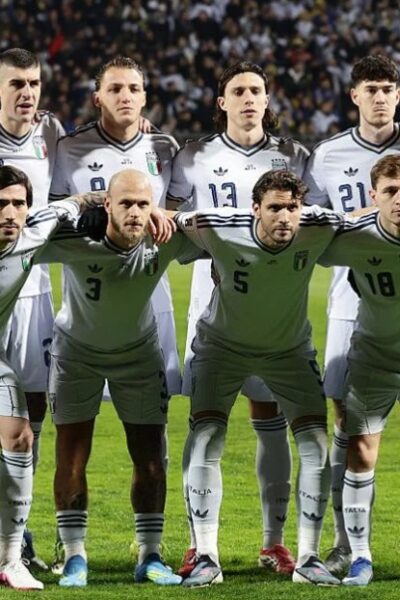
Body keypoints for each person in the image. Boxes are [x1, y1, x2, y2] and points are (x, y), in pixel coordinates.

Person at [172, 169, 352, 587]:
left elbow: (364, 220)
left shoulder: (319, 226)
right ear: (255, 208)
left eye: (292, 208)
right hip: (221, 348)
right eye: (274, 208)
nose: (285, 217)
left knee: (315, 443)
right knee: (206, 436)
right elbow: (168, 220)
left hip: (289, 352)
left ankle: (308, 558)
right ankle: (206, 557)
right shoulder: (217, 224)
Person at [167, 61, 309, 576]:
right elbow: (168, 218)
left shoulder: (294, 156)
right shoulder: (194, 156)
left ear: (267, 100)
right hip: (212, 304)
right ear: (221, 101)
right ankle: (198, 543)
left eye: (256, 91)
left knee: (271, 421)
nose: (248, 98)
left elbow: (311, 222)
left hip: (272, 308)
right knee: (207, 423)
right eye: (238, 91)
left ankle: (274, 543)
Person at [39, 169, 201, 588]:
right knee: (71, 456)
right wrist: (78, 203)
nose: (134, 212)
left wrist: (172, 217)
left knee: (150, 457)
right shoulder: (75, 238)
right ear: (107, 204)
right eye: (125, 203)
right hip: (76, 356)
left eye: (143, 204)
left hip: (138, 355)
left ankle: (150, 555)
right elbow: (26, 229)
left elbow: (217, 231)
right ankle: (74, 557)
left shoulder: (163, 239)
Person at [304, 54, 400, 576]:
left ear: (397, 95)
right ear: (355, 95)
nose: (380, 97)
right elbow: (312, 222)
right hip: (350, 298)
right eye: (372, 89)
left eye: (388, 88)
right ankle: (346, 543)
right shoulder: (328, 155)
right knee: (348, 422)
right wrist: (364, 218)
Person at [50, 55, 181, 395]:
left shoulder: (165, 147)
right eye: (115, 89)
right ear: (97, 98)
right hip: (88, 297)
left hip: (151, 291)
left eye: (134, 89)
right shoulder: (69, 148)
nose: (125, 96)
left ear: (144, 97)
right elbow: (55, 216)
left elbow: (180, 217)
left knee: (152, 406)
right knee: (81, 405)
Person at [0, 164, 103, 591]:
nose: (10, 213)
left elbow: (70, 204)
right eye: (1, 204)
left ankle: (10, 558)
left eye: (18, 204)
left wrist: (107, 200)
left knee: (20, 437)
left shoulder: (31, 234)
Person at [319, 154, 400, 586]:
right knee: (361, 450)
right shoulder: (355, 236)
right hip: (376, 357)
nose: (399, 199)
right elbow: (302, 234)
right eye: (391, 191)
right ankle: (360, 556)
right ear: (374, 196)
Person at [0, 48, 65, 569]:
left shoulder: (51, 133)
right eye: (16, 83)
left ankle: (17, 532)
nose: (27, 92)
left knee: (33, 411)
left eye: (34, 83)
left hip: (35, 290)